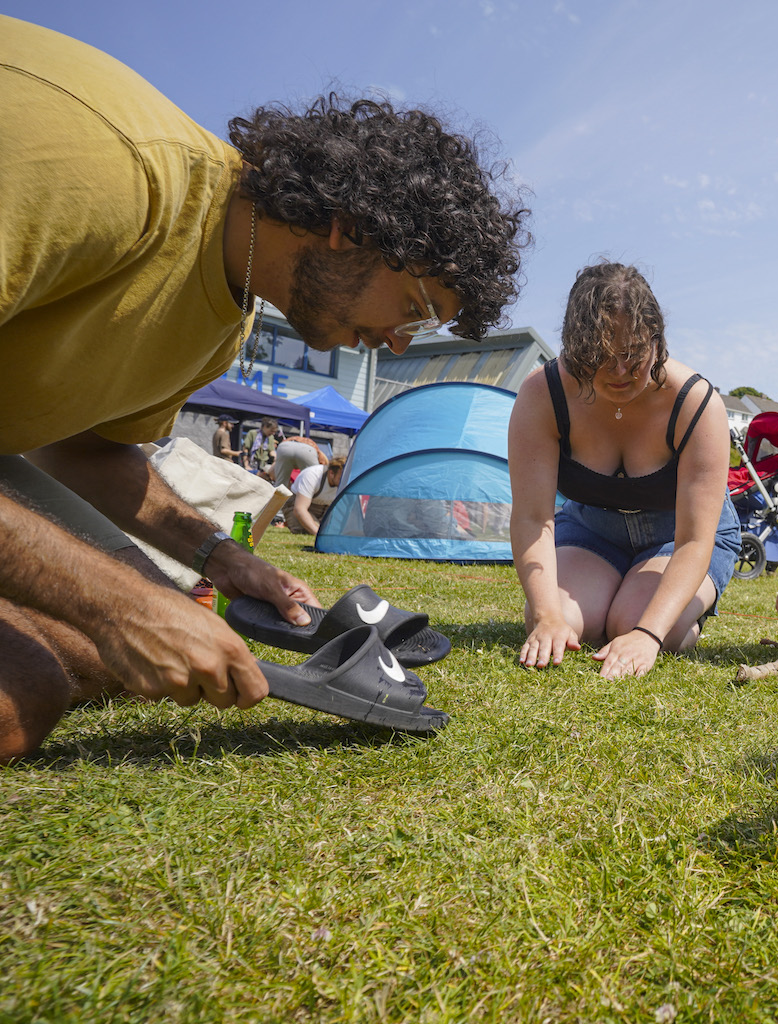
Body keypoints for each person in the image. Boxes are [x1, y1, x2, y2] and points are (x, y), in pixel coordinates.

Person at [0, 16, 528, 760]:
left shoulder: (227, 320)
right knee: (38, 673)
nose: (401, 343)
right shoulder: (120, 172)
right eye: (413, 310)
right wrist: (115, 602)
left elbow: (88, 451)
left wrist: (219, 555)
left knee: (119, 642)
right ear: (351, 228)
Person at [509, 263, 738, 681]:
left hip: (680, 538)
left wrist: (649, 634)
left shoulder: (695, 402)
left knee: (634, 625)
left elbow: (694, 540)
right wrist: (546, 616)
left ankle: (672, 614)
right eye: (597, 355)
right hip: (592, 529)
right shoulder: (542, 393)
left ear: (657, 339)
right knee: (566, 624)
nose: (618, 371)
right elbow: (531, 517)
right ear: (572, 345)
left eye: (634, 353)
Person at [286, 457, 345, 536]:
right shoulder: (313, 475)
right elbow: (299, 509)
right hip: (298, 504)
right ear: (331, 473)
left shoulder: (347, 481)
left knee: (333, 532)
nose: (345, 479)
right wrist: (319, 536)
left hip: (325, 508)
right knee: (305, 529)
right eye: (341, 476)